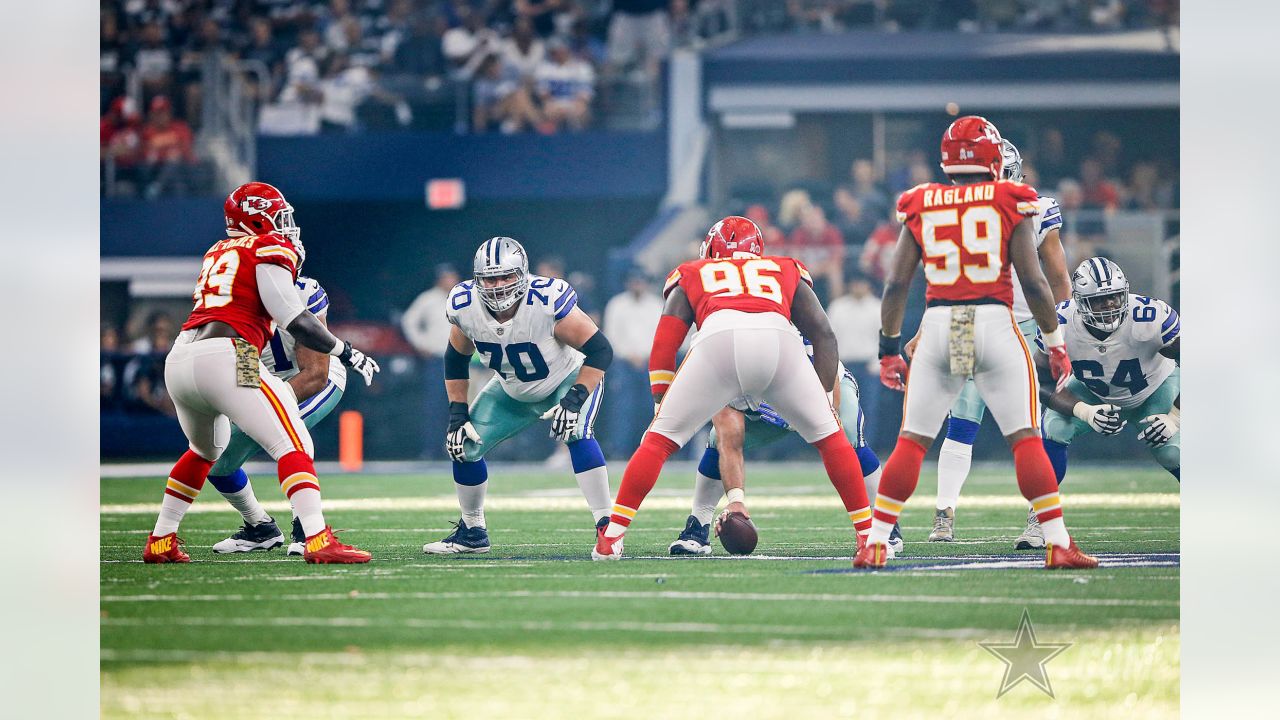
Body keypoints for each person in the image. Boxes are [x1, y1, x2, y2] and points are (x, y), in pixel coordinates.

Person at [857, 115, 1096, 570]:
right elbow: (1034, 279)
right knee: (1025, 438)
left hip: (944, 322)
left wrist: (889, 347)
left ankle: (877, 541)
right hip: (994, 319)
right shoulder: (1013, 198)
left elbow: (895, 285)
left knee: (911, 441)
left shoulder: (922, 201)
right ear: (994, 158)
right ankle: (1057, 542)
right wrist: (1056, 339)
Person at [594, 216, 873, 561]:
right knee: (832, 438)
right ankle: (868, 537)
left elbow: (665, 344)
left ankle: (612, 536)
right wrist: (825, 398)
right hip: (778, 342)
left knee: (658, 440)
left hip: (718, 340)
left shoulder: (694, 271)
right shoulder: (785, 267)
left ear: (712, 249)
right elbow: (824, 334)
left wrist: (660, 401)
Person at [141, 181, 380, 565]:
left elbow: (296, 362)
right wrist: (347, 351)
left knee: (206, 451)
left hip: (184, 357)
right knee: (293, 443)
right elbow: (293, 318)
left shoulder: (218, 251)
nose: (285, 227)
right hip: (229, 355)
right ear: (256, 219)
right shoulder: (267, 249)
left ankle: (161, 539)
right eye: (278, 217)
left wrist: (253, 401)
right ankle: (316, 538)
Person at [914, 139, 1071, 546]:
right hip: (978, 319)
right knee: (965, 421)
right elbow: (946, 278)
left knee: (1037, 427)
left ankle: (1041, 516)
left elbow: (1055, 278)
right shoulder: (964, 207)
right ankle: (944, 512)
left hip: (1017, 323)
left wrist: (1061, 328)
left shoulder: (1028, 208)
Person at [424, 236, 614, 554]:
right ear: (476, 279)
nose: (497, 285)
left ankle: (608, 528)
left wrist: (575, 397)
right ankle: (472, 532)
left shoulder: (546, 300)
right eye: (489, 278)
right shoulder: (465, 305)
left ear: (522, 274)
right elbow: (455, 358)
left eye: (505, 276)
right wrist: (458, 412)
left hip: (565, 380)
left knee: (577, 431)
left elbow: (600, 350)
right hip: (511, 389)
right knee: (462, 445)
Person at [668, 357, 902, 556]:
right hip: (766, 412)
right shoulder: (722, 367)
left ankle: (883, 526)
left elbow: (825, 352)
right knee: (716, 440)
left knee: (850, 439)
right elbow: (729, 443)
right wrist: (735, 500)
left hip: (818, 393)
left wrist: (832, 408)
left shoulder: (790, 343)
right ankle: (698, 525)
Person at [207, 275, 349, 556]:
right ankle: (260, 527)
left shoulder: (303, 292)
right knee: (217, 460)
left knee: (290, 440)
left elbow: (316, 375)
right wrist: (246, 408)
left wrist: (265, 411)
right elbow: (246, 370)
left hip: (314, 381)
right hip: (267, 386)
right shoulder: (236, 300)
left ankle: (307, 530)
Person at [1037, 257, 1180, 485]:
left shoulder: (1150, 316)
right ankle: (1042, 511)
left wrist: (1175, 417)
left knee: (1172, 451)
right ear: (1080, 301)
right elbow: (1043, 383)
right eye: (1100, 299)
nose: (1110, 304)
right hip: (1094, 394)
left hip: (1155, 389)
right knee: (1055, 427)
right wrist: (1085, 412)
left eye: (1114, 296)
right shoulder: (1060, 322)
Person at [601, 269, 664, 458]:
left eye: (640, 281)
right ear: (627, 283)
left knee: (652, 407)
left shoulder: (656, 305)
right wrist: (630, 355)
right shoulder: (617, 304)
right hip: (624, 363)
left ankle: (651, 450)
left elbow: (661, 334)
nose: (637, 285)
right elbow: (611, 335)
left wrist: (645, 356)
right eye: (633, 281)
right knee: (623, 408)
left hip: (651, 362)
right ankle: (621, 450)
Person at [402, 264, 462, 457]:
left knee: (459, 405)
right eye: (446, 277)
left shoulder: (462, 297)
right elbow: (408, 321)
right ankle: (431, 449)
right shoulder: (427, 299)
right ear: (439, 279)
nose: (450, 280)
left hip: (460, 359)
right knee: (434, 405)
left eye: (452, 276)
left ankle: (456, 446)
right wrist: (420, 344)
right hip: (437, 359)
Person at [826, 277, 882, 428]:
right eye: (855, 283)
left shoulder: (878, 308)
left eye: (861, 283)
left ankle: (866, 447)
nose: (858, 286)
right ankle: (846, 448)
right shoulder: (837, 307)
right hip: (844, 366)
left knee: (868, 409)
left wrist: (876, 365)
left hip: (868, 366)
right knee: (842, 409)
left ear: (869, 286)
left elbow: (883, 338)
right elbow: (830, 338)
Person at [535, 38, 595, 132]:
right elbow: (543, 94)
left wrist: (572, 107)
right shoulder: (544, 68)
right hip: (553, 104)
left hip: (575, 104)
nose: (559, 54)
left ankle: (579, 139)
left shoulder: (582, 67)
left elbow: (585, 94)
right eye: (555, 51)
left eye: (561, 50)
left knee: (582, 110)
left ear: (567, 50)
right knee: (547, 110)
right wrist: (555, 106)